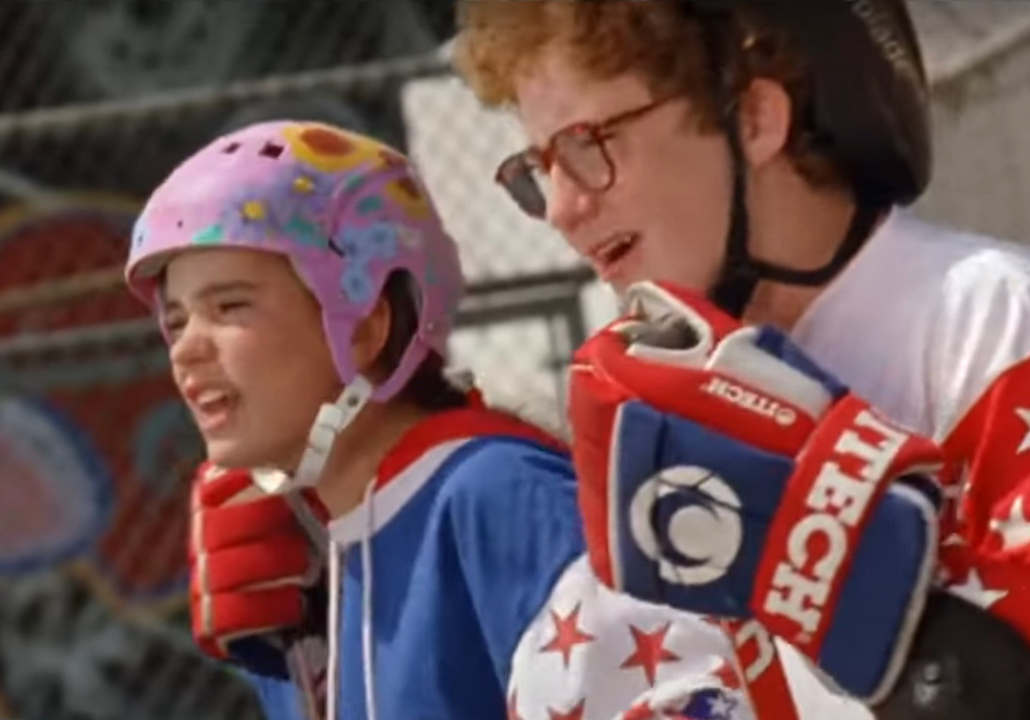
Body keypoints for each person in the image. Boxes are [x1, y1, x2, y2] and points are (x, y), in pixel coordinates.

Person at [452, 1, 1030, 719]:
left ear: (754, 119)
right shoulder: (690, 397)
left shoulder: (988, 314)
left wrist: (869, 583)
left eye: (586, 146)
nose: (561, 208)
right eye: (538, 168)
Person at [122, 119, 742, 720]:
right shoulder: (310, 555)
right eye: (175, 321)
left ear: (365, 325)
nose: (186, 348)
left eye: (229, 307)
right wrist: (290, 663)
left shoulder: (495, 493)